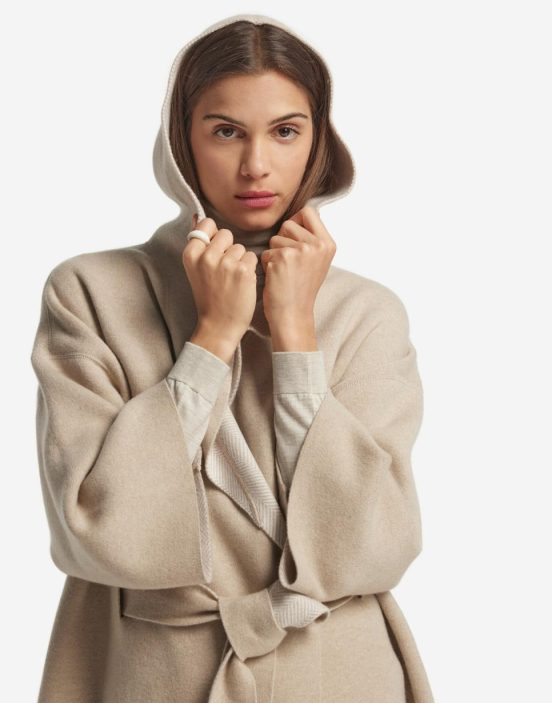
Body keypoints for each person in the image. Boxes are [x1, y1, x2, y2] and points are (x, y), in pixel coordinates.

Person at [30, 13, 435, 703]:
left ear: (319, 141)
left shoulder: (367, 312)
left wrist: (296, 332)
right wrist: (213, 337)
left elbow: (374, 545)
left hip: (338, 669)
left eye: (286, 131)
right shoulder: (91, 293)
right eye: (225, 131)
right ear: (180, 140)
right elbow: (96, 527)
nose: (256, 165)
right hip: (153, 669)